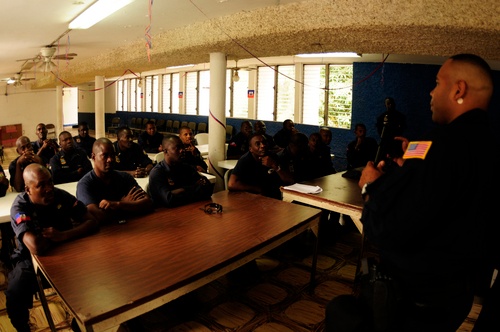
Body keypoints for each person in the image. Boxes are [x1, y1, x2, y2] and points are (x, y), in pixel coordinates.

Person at [340, 54, 499, 332]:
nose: (431, 91)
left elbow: (384, 229)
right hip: (456, 295)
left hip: (414, 304)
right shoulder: (489, 145)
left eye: (437, 83)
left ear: (458, 90)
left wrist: (370, 185)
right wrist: (411, 169)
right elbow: (443, 193)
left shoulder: (440, 144)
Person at [6, 164, 98, 332]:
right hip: (31, 260)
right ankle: (23, 327)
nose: (49, 189)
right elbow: (36, 247)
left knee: (97, 274)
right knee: (15, 291)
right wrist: (64, 234)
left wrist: (62, 235)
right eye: (41, 185)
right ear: (28, 189)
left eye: (50, 182)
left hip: (67, 250)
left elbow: (92, 222)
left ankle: (81, 322)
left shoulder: (60, 196)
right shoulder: (20, 207)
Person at [77, 138, 153, 225]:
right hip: (105, 235)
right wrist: (129, 206)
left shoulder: (125, 177)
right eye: (105, 155)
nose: (110, 159)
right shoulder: (85, 184)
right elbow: (97, 216)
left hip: (132, 227)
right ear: (93, 157)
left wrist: (118, 204)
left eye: (112, 155)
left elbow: (148, 203)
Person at [148, 135, 213, 207]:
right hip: (166, 215)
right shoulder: (157, 173)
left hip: (188, 209)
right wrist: (194, 187)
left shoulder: (186, 167)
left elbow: (208, 188)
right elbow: (169, 199)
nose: (182, 150)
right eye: (178, 148)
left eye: (182, 147)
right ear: (166, 151)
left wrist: (181, 191)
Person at [228, 133, 285, 200]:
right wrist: (258, 189)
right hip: (253, 197)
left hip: (274, 196)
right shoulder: (245, 160)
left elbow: (288, 180)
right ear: (250, 149)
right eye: (258, 144)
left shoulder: (272, 156)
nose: (262, 146)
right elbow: (231, 184)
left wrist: (274, 165)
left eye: (264, 142)